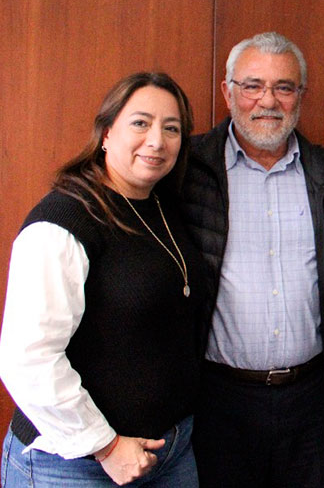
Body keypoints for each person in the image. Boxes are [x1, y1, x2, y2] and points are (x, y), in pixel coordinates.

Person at [0, 72, 200, 487]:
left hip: (170, 454)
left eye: (172, 128)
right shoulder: (64, 220)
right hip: (77, 466)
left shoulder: (162, 206)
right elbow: (27, 358)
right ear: (106, 133)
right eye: (140, 123)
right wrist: (106, 447)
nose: (157, 141)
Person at [180, 32, 324, 488]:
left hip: (311, 401)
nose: (268, 101)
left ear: (300, 95)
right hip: (217, 401)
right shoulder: (187, 169)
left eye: (283, 87)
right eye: (252, 86)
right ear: (228, 91)